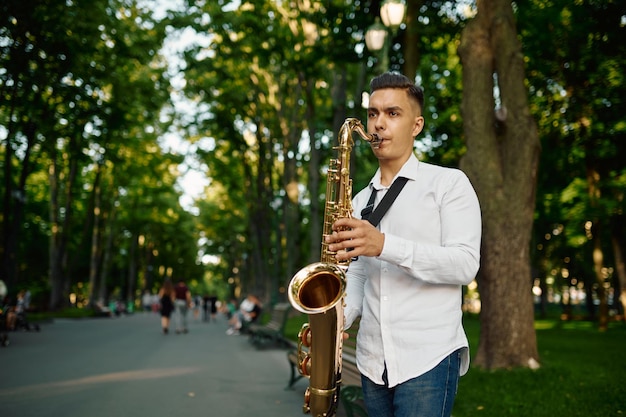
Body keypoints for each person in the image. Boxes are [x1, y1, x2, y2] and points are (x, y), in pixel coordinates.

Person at [325, 72, 482, 417]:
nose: (379, 124)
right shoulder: (360, 200)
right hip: (370, 360)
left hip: (428, 357)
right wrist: (336, 324)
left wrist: (384, 244)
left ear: (416, 125)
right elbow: (360, 275)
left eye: (393, 114)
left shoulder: (448, 184)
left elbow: (465, 264)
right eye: (373, 113)